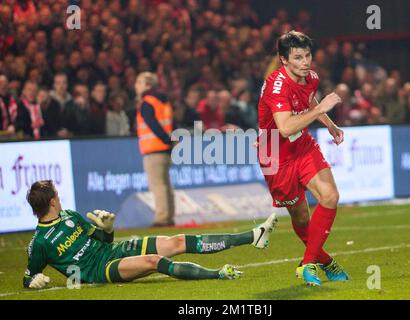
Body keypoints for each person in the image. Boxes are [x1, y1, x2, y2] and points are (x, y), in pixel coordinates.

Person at [23, 180, 278, 289]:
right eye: (56, 194)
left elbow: (104, 241)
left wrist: (107, 229)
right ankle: (218, 274)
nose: (59, 196)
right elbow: (28, 276)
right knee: (154, 261)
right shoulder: (40, 242)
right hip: (99, 271)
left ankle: (254, 235)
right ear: (52, 201)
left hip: (111, 251)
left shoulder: (70, 216)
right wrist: (33, 281)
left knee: (176, 241)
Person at [257, 30, 349, 286]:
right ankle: (326, 262)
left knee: (330, 196)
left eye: (307, 55)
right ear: (283, 60)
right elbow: (285, 128)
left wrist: (328, 124)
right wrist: (321, 109)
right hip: (275, 154)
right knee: (301, 217)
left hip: (302, 146)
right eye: (298, 57)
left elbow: (308, 98)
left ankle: (307, 264)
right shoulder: (277, 86)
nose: (305, 62)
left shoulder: (311, 77)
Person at [134, 72, 175, 227]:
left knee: (157, 185)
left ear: (148, 85)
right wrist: (170, 141)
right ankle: (169, 216)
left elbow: (152, 124)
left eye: (139, 82)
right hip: (164, 149)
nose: (136, 85)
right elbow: (170, 123)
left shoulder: (147, 102)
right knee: (165, 184)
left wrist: (165, 139)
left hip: (153, 148)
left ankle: (162, 218)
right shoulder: (163, 101)